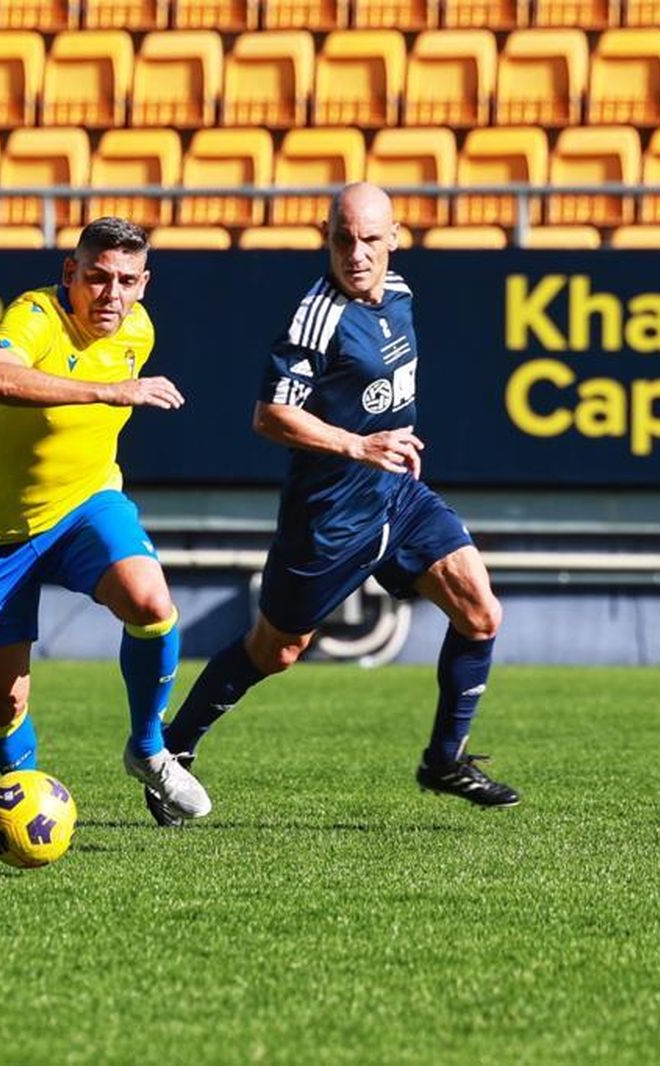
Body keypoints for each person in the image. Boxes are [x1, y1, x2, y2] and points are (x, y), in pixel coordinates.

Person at [143, 182, 519, 826]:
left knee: (481, 613)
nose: (356, 253)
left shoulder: (400, 296)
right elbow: (270, 415)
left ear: (395, 239)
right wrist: (358, 445)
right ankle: (171, 750)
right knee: (276, 650)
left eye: (371, 239)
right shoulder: (315, 318)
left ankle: (445, 759)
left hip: (398, 498)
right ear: (327, 237)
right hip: (327, 521)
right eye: (343, 239)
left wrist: (391, 446)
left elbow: (385, 391)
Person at [0, 217, 211, 821]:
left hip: (85, 505)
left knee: (151, 603)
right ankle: (28, 792)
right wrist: (108, 392)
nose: (110, 294)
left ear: (144, 283)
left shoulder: (138, 332)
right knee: (3, 706)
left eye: (125, 280)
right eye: (96, 277)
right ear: (71, 274)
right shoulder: (37, 314)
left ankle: (149, 751)